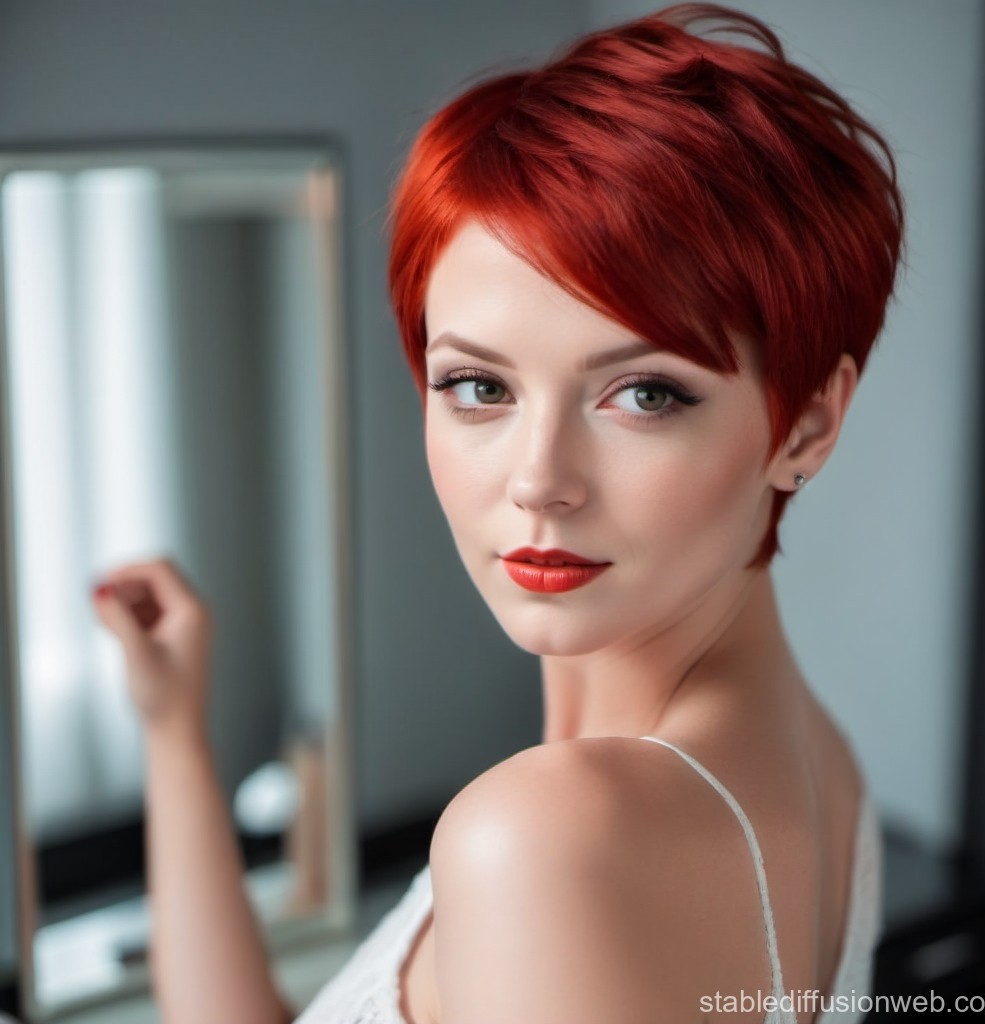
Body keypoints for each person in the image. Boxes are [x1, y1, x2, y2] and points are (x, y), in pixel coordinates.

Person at [91, 3, 904, 1022]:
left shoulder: (546, 845)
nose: (538, 479)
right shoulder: (813, 759)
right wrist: (176, 733)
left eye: (643, 392)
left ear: (808, 422)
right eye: (480, 386)